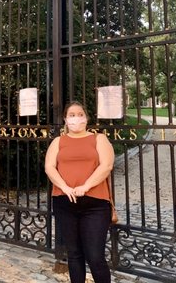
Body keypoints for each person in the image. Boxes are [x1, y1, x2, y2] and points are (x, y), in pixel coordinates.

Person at [45, 101, 115, 283]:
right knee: (74, 255)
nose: (76, 118)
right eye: (72, 115)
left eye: (80, 114)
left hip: (95, 205)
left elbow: (106, 165)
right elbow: (50, 167)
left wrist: (86, 186)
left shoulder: (99, 139)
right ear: (65, 119)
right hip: (64, 202)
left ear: (86, 118)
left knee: (95, 256)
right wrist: (65, 187)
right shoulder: (58, 142)